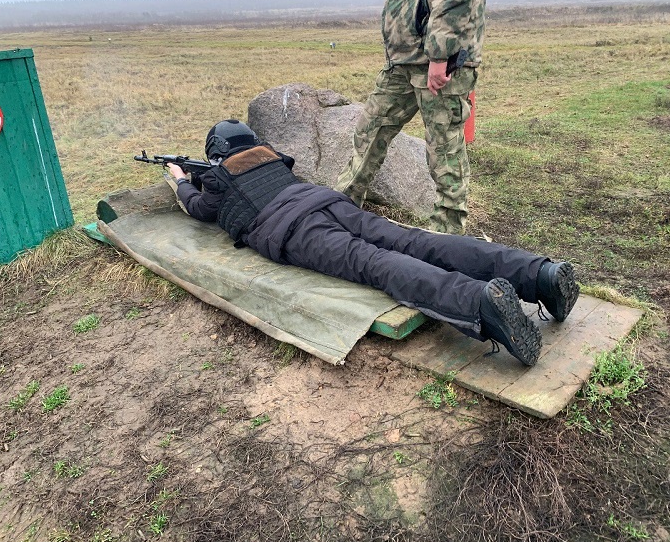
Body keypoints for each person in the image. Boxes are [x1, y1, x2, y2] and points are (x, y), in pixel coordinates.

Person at [168, 120, 579, 367]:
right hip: (330, 203)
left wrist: (182, 180)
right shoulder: (273, 158)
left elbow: (199, 209)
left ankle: (479, 303)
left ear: (215, 154)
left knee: (376, 264)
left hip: (296, 230)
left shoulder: (218, 179)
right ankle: (538, 274)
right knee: (414, 240)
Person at [335, 0, 487, 235]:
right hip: (402, 60)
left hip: (439, 62)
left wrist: (441, 53)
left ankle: (447, 235)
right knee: (368, 132)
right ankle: (339, 210)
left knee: (443, 149)